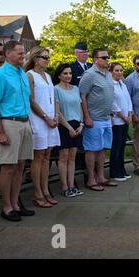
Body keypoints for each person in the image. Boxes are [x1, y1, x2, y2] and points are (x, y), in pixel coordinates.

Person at [0, 40, 35, 221]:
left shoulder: (21, 73)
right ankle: (6, 207)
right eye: (20, 53)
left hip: (24, 122)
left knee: (20, 166)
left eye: (24, 52)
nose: (23, 55)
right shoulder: (0, 75)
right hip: (9, 124)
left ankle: (15, 204)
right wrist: (0, 132)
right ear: (8, 54)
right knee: (8, 167)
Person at [25, 46, 61, 208]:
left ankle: (46, 190)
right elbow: (32, 101)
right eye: (45, 57)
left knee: (47, 155)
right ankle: (37, 193)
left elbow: (52, 98)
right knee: (38, 156)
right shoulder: (29, 75)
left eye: (48, 57)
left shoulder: (47, 75)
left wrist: (55, 116)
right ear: (35, 59)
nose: (48, 60)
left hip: (51, 120)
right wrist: (46, 117)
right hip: (39, 119)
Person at [79, 48, 117, 191]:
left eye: (108, 57)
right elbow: (82, 96)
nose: (107, 59)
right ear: (95, 60)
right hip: (93, 119)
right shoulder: (89, 75)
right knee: (91, 149)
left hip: (106, 118)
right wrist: (87, 117)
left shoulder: (108, 74)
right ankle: (91, 179)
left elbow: (109, 96)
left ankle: (101, 177)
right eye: (104, 57)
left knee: (102, 149)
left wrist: (111, 115)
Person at [54, 63, 85, 198]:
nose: (68, 76)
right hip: (64, 125)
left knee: (72, 157)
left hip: (76, 124)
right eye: (65, 73)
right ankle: (65, 187)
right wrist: (69, 128)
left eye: (70, 73)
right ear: (59, 75)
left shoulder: (75, 89)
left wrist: (81, 124)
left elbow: (80, 107)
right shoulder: (56, 89)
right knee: (63, 157)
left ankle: (72, 186)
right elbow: (57, 112)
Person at [125, 54, 139, 176]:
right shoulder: (130, 79)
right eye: (138, 63)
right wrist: (133, 114)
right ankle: (138, 165)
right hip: (138, 114)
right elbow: (127, 98)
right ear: (134, 65)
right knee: (138, 140)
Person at [109, 62, 133, 181]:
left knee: (122, 146)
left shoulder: (122, 84)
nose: (119, 73)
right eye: (116, 70)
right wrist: (123, 116)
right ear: (111, 72)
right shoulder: (111, 85)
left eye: (121, 70)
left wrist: (129, 113)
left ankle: (121, 169)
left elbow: (128, 100)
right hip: (118, 120)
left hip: (126, 120)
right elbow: (113, 104)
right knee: (116, 147)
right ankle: (115, 172)